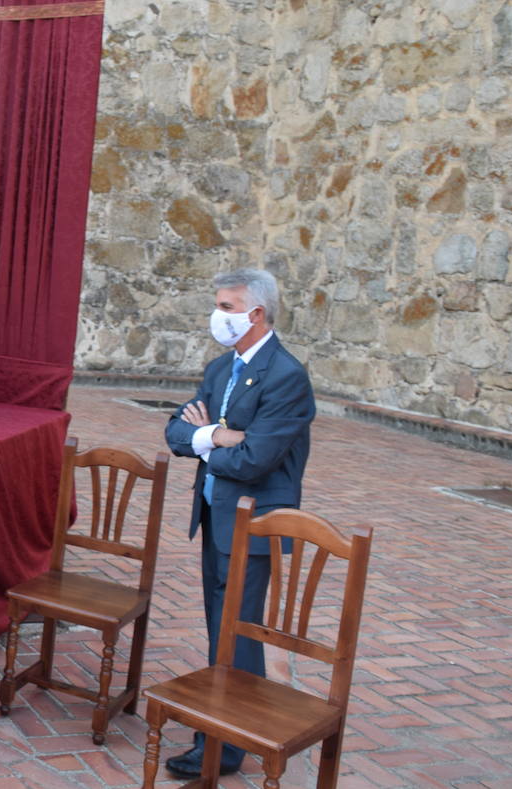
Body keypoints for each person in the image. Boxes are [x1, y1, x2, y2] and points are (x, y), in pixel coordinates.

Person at [163, 267, 316, 779]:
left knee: (237, 634)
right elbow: (175, 433)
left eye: (226, 307)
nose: (217, 316)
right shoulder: (219, 367)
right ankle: (221, 726)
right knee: (219, 628)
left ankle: (225, 746)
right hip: (215, 515)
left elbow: (256, 461)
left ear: (256, 314)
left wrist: (207, 439)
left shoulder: (287, 376)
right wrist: (216, 437)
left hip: (254, 525)